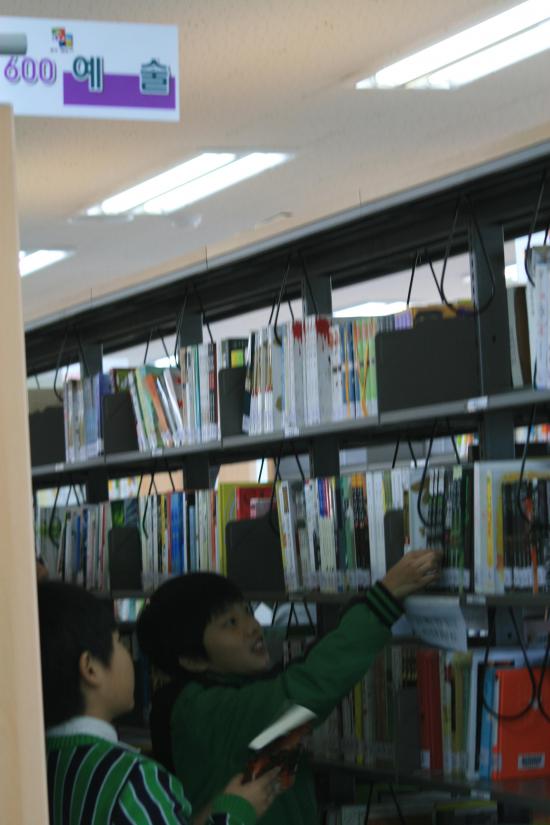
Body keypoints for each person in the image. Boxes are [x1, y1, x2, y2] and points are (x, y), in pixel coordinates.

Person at [136, 549, 441, 825]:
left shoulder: (236, 692)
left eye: (247, 611)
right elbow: (307, 691)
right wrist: (385, 598)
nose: (253, 626)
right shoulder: (204, 712)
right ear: (192, 660)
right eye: (230, 623)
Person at [37, 581, 282, 825]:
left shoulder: (39, 765)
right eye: (119, 642)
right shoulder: (134, 780)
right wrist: (236, 812)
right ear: (91, 668)